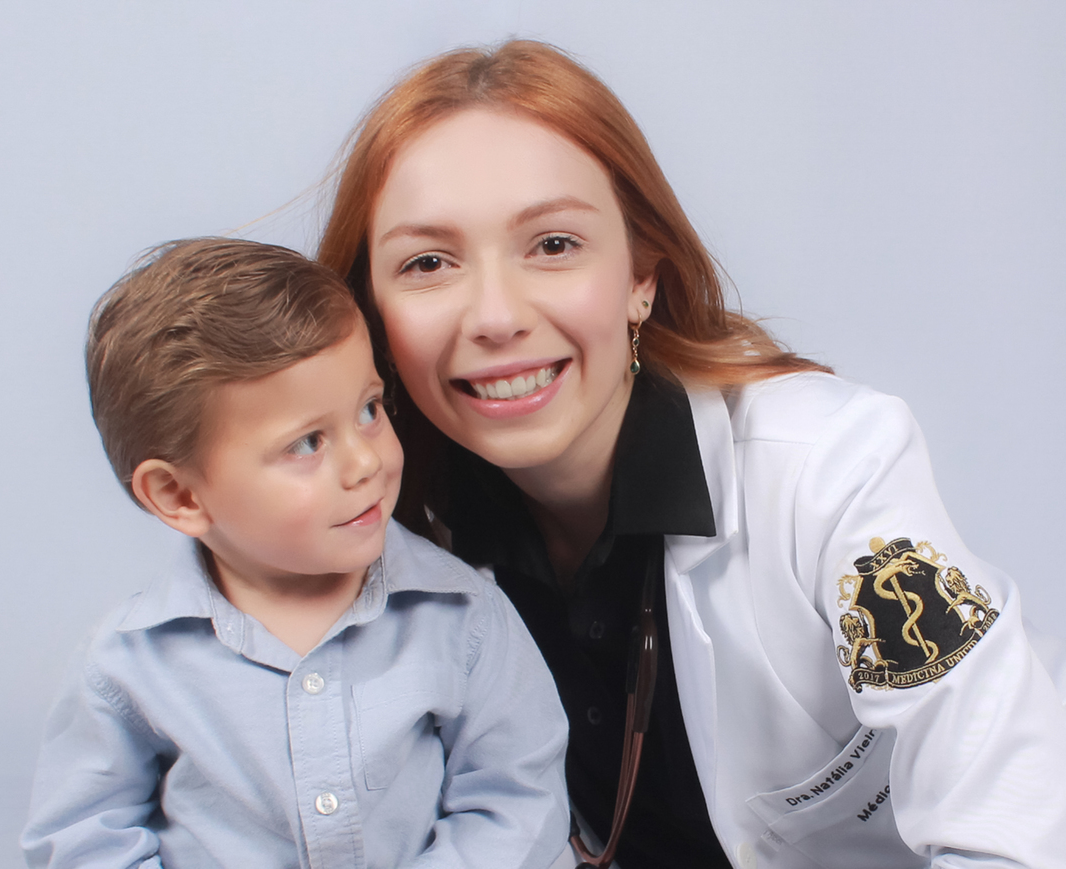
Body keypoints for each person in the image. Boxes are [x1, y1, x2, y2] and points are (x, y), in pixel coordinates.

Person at [317, 40, 1066, 869]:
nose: (495, 315)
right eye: (428, 263)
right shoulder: (377, 544)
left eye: (554, 245)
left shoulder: (826, 470)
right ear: (369, 313)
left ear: (641, 274)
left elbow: (1017, 820)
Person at [20, 239, 570, 869]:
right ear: (178, 494)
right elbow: (84, 839)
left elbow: (517, 804)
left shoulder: (463, 618)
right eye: (306, 443)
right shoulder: (129, 664)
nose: (366, 462)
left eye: (368, 409)